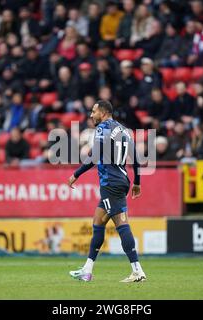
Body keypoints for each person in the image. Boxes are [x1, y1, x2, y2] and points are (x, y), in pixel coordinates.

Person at [67, 100, 145, 283]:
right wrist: (137, 182)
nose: (91, 115)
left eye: (93, 111)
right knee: (98, 222)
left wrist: (76, 174)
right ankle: (87, 270)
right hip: (122, 180)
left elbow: (95, 155)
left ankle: (137, 270)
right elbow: (136, 158)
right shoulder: (124, 130)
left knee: (121, 224)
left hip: (110, 182)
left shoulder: (103, 128)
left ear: (103, 113)